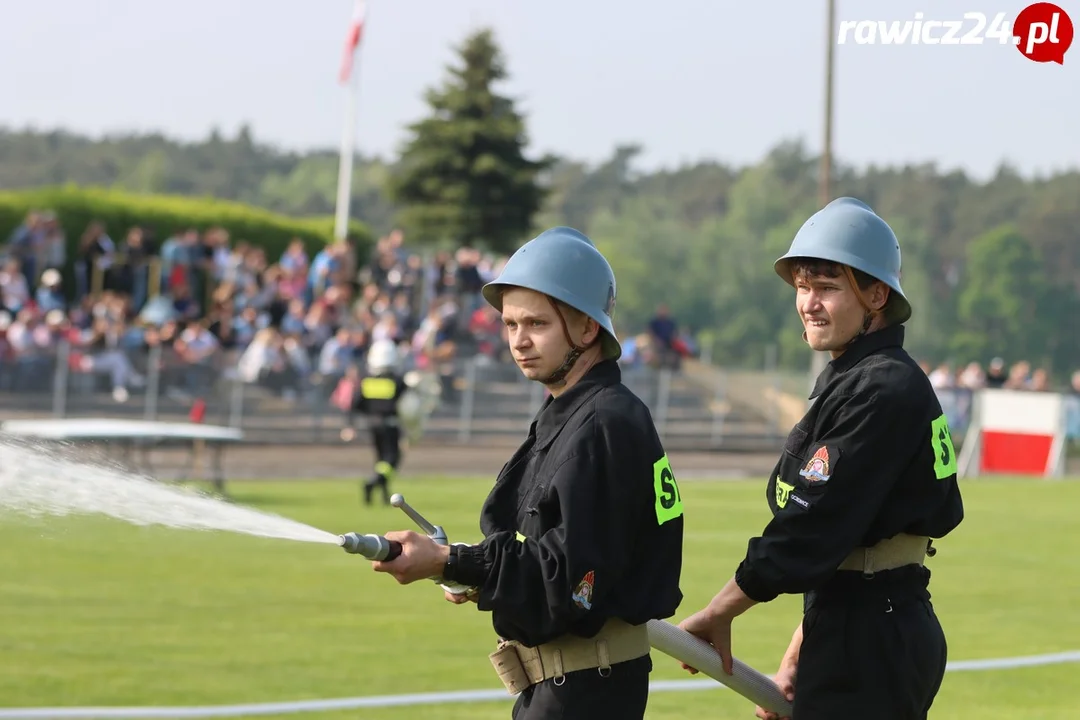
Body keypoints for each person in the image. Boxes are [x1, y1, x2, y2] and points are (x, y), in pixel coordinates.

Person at [370, 227, 685, 719]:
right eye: (510, 324)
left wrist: (453, 561)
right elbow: (545, 553)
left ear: (586, 329)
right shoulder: (572, 414)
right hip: (561, 687)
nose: (519, 341)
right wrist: (467, 569)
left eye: (536, 323)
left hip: (585, 690)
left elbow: (570, 584)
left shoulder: (604, 422)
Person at [677, 197, 964, 720]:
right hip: (857, 622)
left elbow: (811, 530)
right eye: (803, 287)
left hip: (873, 641)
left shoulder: (882, 387)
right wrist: (800, 653)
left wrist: (720, 611)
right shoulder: (859, 377)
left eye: (828, 288)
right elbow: (850, 543)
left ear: (877, 295)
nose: (808, 302)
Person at [352, 338, 408, 506]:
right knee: (392, 458)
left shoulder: (366, 380)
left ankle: (384, 494)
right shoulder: (397, 381)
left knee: (380, 460)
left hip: (373, 424)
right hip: (390, 424)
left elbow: (357, 404)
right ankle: (374, 481)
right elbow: (408, 404)